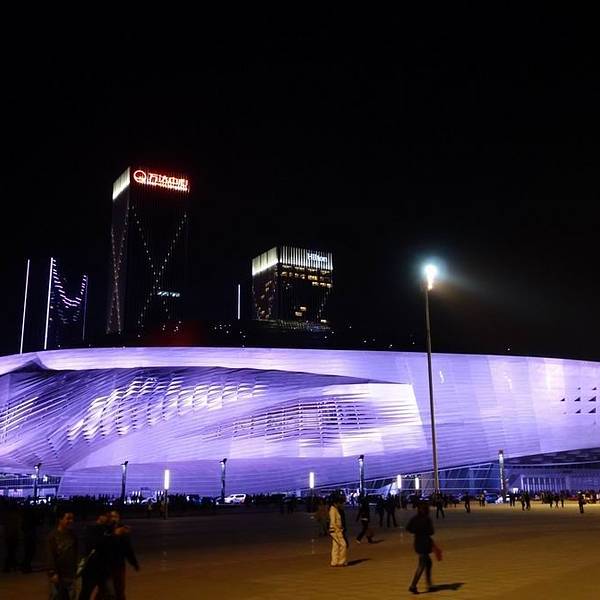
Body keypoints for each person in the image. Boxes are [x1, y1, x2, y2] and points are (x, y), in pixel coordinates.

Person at [79, 511, 115, 600]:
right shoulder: (91, 529)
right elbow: (95, 544)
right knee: (86, 592)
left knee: (109, 593)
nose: (109, 519)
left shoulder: (107, 529)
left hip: (103, 568)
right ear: (100, 517)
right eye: (107, 516)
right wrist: (111, 535)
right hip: (91, 568)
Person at [107, 510, 140, 600]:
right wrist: (114, 534)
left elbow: (128, 549)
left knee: (120, 589)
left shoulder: (123, 531)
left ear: (119, 518)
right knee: (107, 590)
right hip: (106, 565)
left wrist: (134, 563)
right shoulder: (105, 530)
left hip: (119, 564)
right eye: (111, 517)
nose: (113, 519)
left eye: (115, 517)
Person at [406, 502, 436, 594]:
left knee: (428, 563)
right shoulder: (427, 519)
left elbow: (408, 528)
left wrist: (416, 531)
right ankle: (413, 586)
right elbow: (431, 532)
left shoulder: (415, 518)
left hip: (418, 542)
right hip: (425, 543)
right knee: (422, 565)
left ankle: (429, 584)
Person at [47, 510, 78, 600]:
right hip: (58, 575)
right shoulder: (52, 536)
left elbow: (75, 553)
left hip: (70, 574)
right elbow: (50, 555)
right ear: (60, 519)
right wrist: (52, 572)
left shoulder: (73, 535)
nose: (71, 521)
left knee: (71, 596)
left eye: (72, 519)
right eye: (68, 518)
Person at [328, 495, 348, 567]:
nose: (341, 504)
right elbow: (333, 522)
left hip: (335, 530)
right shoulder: (333, 510)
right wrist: (338, 530)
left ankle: (334, 561)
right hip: (336, 530)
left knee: (336, 546)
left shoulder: (335, 509)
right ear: (336, 503)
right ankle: (341, 561)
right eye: (340, 503)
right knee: (343, 545)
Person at [1, 502, 20, 573]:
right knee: (12, 552)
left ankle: (9, 566)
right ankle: (10, 566)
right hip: (13, 536)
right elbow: (16, 527)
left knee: (10, 552)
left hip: (9, 536)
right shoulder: (16, 517)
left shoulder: (7, 516)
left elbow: (6, 527)